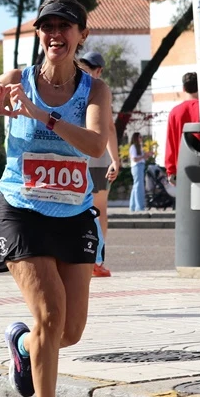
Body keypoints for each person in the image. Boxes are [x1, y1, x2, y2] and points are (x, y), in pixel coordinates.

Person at [0, 0, 113, 397]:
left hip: (74, 213)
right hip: (21, 209)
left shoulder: (93, 90)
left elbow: (96, 145)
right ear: (39, 35)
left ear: (82, 35)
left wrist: (44, 115)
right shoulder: (15, 82)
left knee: (70, 331)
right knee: (49, 313)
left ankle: (23, 348)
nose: (55, 35)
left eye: (65, 27)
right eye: (47, 27)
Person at [79, 51, 120, 277]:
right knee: (99, 211)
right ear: (100, 70)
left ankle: (76, 258)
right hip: (98, 159)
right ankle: (96, 260)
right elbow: (110, 127)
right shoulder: (99, 90)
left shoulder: (72, 86)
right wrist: (115, 158)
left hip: (75, 156)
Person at [164, 72, 200, 184]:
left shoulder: (174, 112)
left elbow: (170, 143)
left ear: (183, 88)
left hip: (183, 169)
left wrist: (171, 171)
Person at [128, 132, 147, 212]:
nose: (141, 138)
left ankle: (133, 206)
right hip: (137, 167)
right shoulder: (133, 147)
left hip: (140, 166)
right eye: (140, 137)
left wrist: (146, 156)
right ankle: (139, 207)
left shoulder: (139, 147)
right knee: (139, 186)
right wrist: (144, 156)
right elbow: (134, 159)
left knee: (136, 186)